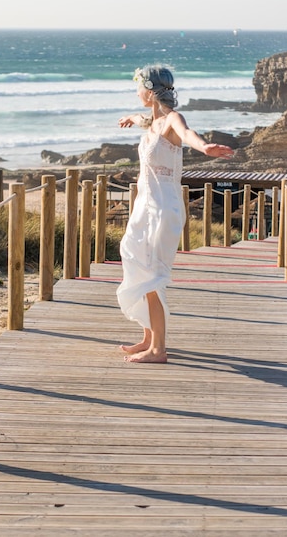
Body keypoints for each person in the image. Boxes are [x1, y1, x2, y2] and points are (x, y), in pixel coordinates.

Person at [116, 65, 234, 364]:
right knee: (135, 261)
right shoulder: (153, 123)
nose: (136, 93)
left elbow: (187, 133)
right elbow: (147, 121)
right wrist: (132, 118)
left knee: (152, 277)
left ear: (150, 91)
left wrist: (205, 147)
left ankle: (158, 350)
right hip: (145, 206)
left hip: (163, 209)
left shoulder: (172, 120)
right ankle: (147, 337)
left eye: (138, 88)